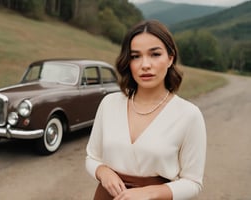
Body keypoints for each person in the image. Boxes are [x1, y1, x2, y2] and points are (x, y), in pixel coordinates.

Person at [85, 20, 206, 200]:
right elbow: (92, 157)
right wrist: (102, 171)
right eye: (135, 56)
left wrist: (149, 193)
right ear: (128, 62)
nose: (145, 65)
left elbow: (193, 182)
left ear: (170, 58)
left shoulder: (189, 114)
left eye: (155, 54)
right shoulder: (109, 104)